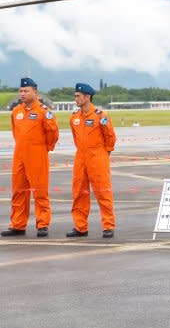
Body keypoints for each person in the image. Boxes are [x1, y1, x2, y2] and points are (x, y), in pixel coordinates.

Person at [2, 78, 59, 238]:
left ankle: (42, 224)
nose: (22, 94)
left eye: (26, 91)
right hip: (19, 154)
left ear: (35, 92)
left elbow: (52, 132)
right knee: (18, 191)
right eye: (21, 91)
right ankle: (18, 225)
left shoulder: (43, 111)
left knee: (40, 190)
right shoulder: (17, 111)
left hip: (37, 154)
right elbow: (15, 132)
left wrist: (45, 148)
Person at [67, 83, 117, 238]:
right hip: (81, 157)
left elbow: (110, 136)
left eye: (78, 96)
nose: (75, 99)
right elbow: (76, 139)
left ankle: (108, 226)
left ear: (87, 97)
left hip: (98, 157)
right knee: (79, 193)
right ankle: (80, 227)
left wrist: (104, 153)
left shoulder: (100, 115)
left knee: (103, 192)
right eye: (75, 96)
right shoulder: (74, 117)